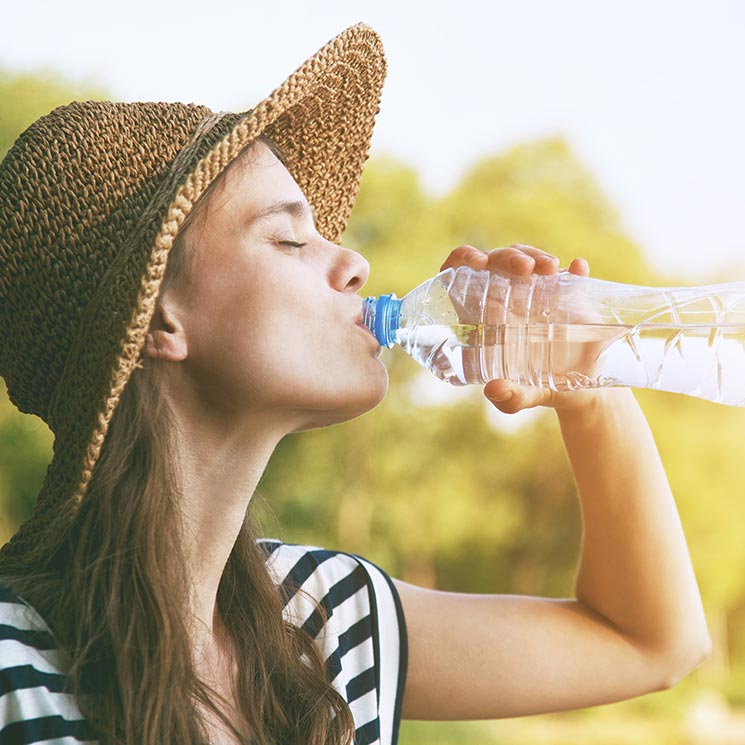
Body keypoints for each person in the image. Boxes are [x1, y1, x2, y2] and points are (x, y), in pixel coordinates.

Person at [0, 23, 710, 745]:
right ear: (160, 318)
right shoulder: (12, 664)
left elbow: (650, 642)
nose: (353, 264)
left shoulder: (324, 620)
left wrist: (589, 388)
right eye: (288, 239)